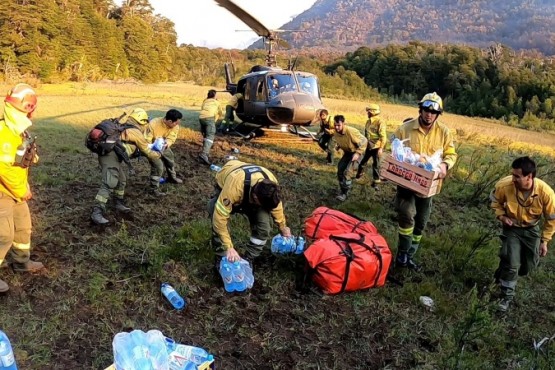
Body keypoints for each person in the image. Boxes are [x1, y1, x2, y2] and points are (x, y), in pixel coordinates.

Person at [393, 92, 457, 270]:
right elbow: (392, 148)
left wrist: (445, 165)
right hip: (407, 181)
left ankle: (410, 255)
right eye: (426, 110)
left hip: (428, 185)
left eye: (433, 112)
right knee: (406, 215)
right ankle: (402, 253)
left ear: (438, 114)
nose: (429, 114)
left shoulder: (444, 132)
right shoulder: (405, 128)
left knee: (421, 222)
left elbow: (451, 154)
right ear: (420, 110)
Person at [490, 156, 555, 312]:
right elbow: (494, 201)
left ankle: (501, 272)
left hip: (531, 230)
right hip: (511, 228)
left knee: (528, 266)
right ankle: (506, 298)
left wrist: (544, 241)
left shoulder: (546, 193)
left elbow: (552, 219)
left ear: (529, 177)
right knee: (513, 264)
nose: (513, 179)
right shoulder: (504, 185)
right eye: (513, 175)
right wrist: (502, 216)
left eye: (517, 176)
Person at [0, 83, 45, 292]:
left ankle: (21, 262)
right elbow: (4, 169)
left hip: (15, 190)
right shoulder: (4, 133)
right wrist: (22, 190)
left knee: (23, 227)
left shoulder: (17, 131)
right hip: (4, 193)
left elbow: (18, 163)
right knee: (4, 235)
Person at [208, 159, 291, 265]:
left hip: (253, 194)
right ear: (255, 198)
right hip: (228, 181)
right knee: (213, 210)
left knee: (264, 227)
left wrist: (283, 227)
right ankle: (221, 256)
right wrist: (228, 247)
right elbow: (219, 218)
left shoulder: (271, 186)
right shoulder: (234, 187)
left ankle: (249, 258)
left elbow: (277, 207)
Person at [91, 108, 162, 224]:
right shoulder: (135, 132)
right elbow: (148, 152)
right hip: (110, 157)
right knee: (110, 182)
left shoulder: (123, 127)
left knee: (121, 180)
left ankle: (118, 203)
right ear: (142, 121)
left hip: (111, 156)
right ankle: (97, 212)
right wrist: (159, 153)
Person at [145, 109, 183, 196]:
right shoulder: (153, 124)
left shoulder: (175, 126)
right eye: (176, 123)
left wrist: (167, 143)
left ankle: (172, 178)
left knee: (170, 159)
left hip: (164, 146)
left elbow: (171, 137)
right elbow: (147, 141)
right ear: (169, 121)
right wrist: (153, 149)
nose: (177, 125)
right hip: (151, 148)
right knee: (158, 167)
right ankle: (153, 189)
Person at [332, 115, 368, 202]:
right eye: (335, 125)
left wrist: (358, 153)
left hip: (357, 152)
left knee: (348, 173)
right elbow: (341, 140)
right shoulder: (336, 132)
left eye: (339, 125)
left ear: (343, 124)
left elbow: (364, 141)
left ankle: (345, 193)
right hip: (348, 153)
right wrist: (338, 146)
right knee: (340, 170)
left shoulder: (351, 131)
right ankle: (342, 189)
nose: (336, 127)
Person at [356, 104, 387, 188]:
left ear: (373, 112)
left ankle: (376, 183)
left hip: (376, 147)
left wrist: (381, 148)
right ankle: (359, 174)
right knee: (363, 161)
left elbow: (383, 137)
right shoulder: (368, 121)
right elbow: (366, 134)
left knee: (376, 165)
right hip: (369, 146)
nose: (367, 113)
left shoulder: (380, 122)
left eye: (369, 111)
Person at [198, 89, 223, 165]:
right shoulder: (217, 102)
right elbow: (220, 113)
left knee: (206, 134)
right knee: (210, 135)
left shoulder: (205, 101)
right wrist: (214, 120)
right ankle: (204, 154)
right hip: (209, 117)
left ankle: (204, 150)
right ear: (215, 96)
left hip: (201, 117)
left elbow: (202, 108)